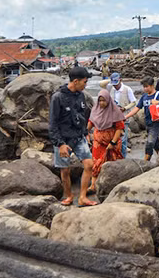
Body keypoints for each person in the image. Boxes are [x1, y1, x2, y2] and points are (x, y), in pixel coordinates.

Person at [49, 66, 97, 207]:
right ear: (76, 81)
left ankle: (82, 197)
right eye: (84, 82)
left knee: (89, 164)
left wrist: (85, 133)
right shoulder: (57, 97)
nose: (85, 85)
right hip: (63, 139)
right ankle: (69, 196)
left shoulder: (81, 95)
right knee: (65, 170)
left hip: (78, 137)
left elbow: (82, 116)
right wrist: (60, 144)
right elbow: (53, 123)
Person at [124, 77, 159, 162]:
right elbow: (137, 108)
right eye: (144, 87)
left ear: (152, 85)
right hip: (147, 124)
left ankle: (145, 162)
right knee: (156, 144)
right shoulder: (144, 96)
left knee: (150, 143)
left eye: (147, 86)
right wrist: (126, 117)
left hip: (156, 124)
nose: (145, 88)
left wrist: (158, 102)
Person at [86, 89, 125, 193]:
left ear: (108, 100)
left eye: (104, 100)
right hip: (98, 143)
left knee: (111, 162)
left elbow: (119, 128)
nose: (101, 103)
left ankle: (112, 185)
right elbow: (91, 123)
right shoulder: (95, 110)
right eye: (100, 100)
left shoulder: (114, 111)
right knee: (96, 162)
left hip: (111, 143)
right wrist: (85, 133)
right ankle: (93, 185)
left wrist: (112, 142)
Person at [107, 72, 136, 158]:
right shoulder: (112, 90)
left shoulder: (127, 89)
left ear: (120, 80)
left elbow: (133, 102)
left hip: (124, 117)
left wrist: (125, 108)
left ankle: (123, 157)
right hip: (113, 118)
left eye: (116, 84)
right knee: (114, 138)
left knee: (123, 139)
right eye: (114, 84)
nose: (115, 86)